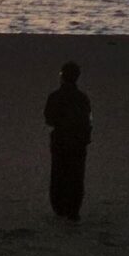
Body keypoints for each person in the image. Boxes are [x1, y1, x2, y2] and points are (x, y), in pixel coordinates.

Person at [44, 60, 92, 220]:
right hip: (78, 141)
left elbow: (49, 119)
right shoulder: (82, 98)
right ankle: (73, 209)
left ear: (62, 76)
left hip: (61, 140)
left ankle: (59, 208)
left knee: (59, 174)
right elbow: (88, 120)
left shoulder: (55, 96)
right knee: (76, 175)